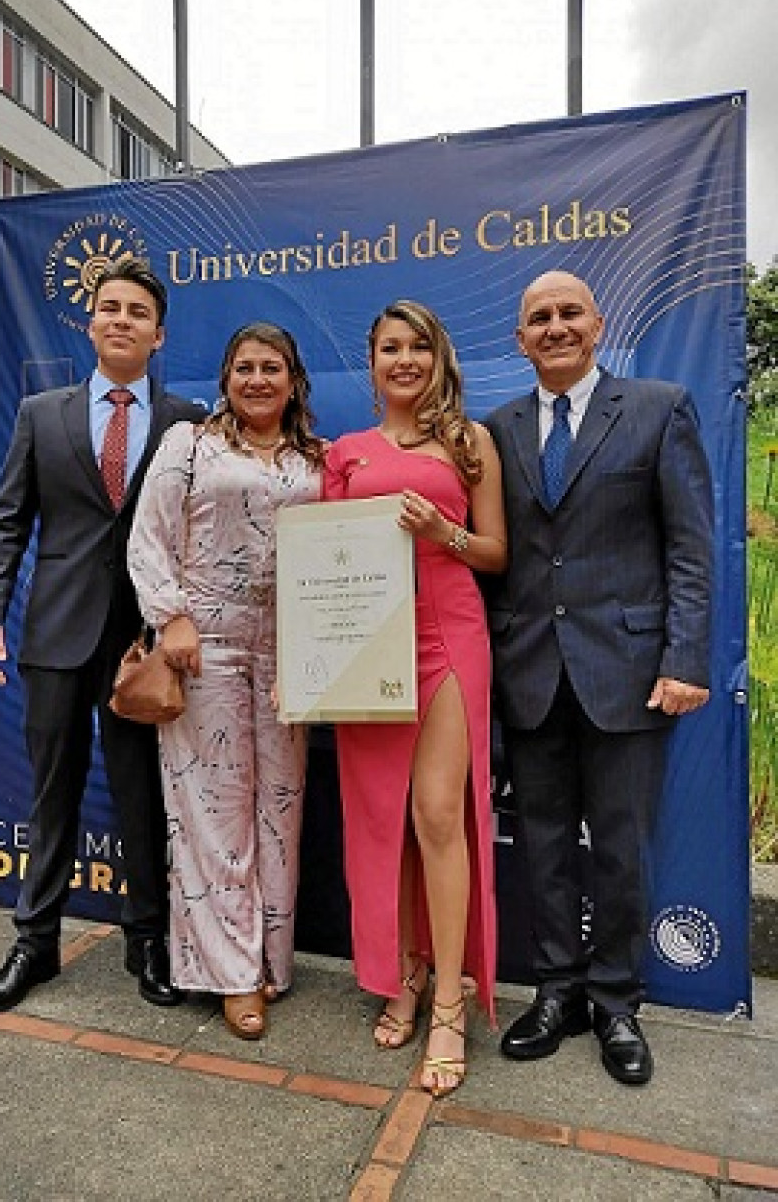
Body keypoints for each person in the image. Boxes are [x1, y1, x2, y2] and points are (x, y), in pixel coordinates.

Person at [486, 269, 713, 1086]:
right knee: (543, 845)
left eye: (567, 313)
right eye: (537, 317)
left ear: (596, 323)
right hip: (531, 677)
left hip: (628, 674)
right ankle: (555, 990)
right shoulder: (497, 428)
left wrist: (685, 658)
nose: (553, 326)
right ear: (519, 339)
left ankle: (616, 1001)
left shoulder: (657, 408)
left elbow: (689, 546)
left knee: (619, 848)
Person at [0, 255, 204, 1017]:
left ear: (158, 334)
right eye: (110, 307)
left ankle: (147, 942)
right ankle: (34, 944)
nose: (121, 319)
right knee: (53, 794)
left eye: (137, 311)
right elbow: (5, 523)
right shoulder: (42, 414)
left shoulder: (186, 422)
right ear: (90, 320)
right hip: (57, 636)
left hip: (143, 645)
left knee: (140, 799)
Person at [323, 300, 507, 1096]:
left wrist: (443, 534)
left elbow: (495, 553)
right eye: (389, 348)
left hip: (448, 634)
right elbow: (322, 562)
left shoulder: (470, 443)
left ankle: (446, 1008)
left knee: (437, 814)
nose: (403, 360)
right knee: (383, 820)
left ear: (439, 358)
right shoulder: (345, 452)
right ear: (371, 364)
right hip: (367, 644)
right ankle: (401, 972)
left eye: (417, 347)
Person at [127, 322, 324, 1040]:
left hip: (288, 656)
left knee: (279, 810)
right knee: (212, 819)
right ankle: (229, 976)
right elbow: (148, 535)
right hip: (199, 648)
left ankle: (270, 962)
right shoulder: (190, 445)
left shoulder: (318, 461)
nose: (257, 379)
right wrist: (169, 616)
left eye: (272, 367)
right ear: (225, 378)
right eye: (243, 367)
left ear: (294, 380)